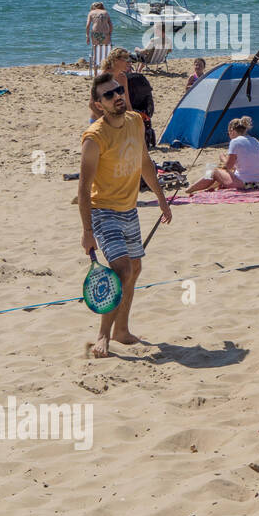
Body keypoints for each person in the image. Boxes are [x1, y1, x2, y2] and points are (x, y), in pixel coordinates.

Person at [78, 72, 172, 358]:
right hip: (103, 212)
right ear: (98, 105)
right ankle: (103, 336)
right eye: (109, 94)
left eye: (118, 90)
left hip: (129, 209)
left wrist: (161, 198)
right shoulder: (94, 137)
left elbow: (144, 162)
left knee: (136, 269)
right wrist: (87, 231)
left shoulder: (134, 122)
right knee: (123, 270)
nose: (117, 95)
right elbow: (83, 188)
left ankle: (121, 330)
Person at [186, 116, 259, 193]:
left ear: (232, 131)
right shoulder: (255, 141)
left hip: (245, 184)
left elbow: (228, 166)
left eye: (228, 133)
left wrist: (222, 158)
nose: (229, 136)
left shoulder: (235, 142)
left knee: (213, 170)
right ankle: (204, 185)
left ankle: (191, 188)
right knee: (220, 171)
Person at [86, 2, 113, 78]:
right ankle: (106, 71)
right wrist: (110, 34)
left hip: (95, 34)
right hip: (105, 34)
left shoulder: (91, 13)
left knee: (95, 51)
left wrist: (87, 36)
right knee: (107, 52)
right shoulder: (106, 12)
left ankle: (95, 73)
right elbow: (111, 25)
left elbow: (88, 25)